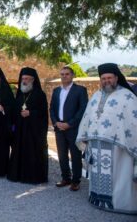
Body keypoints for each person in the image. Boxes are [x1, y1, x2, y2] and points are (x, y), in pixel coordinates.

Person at [76, 63, 137, 214]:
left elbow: (133, 121)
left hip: (120, 146)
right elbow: (87, 116)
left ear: (116, 77)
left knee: (120, 174)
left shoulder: (128, 96)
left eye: (109, 77)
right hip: (96, 144)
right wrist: (85, 137)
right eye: (103, 78)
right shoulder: (96, 95)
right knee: (98, 172)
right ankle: (97, 198)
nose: (106, 81)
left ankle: (120, 204)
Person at [50, 66, 88, 191]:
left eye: (67, 74)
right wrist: (56, 122)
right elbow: (52, 109)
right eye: (62, 74)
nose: (64, 76)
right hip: (59, 128)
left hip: (73, 128)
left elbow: (82, 110)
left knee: (75, 155)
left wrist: (70, 124)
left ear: (72, 76)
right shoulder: (56, 91)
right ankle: (65, 178)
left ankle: (76, 181)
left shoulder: (80, 90)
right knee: (62, 155)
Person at [7, 67, 48, 184]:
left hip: (33, 131)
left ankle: (32, 177)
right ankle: (18, 175)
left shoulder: (40, 94)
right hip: (20, 130)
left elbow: (43, 112)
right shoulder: (20, 95)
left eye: (26, 79)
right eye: (23, 79)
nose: (24, 81)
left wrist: (31, 113)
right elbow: (14, 111)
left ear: (33, 80)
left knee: (32, 153)